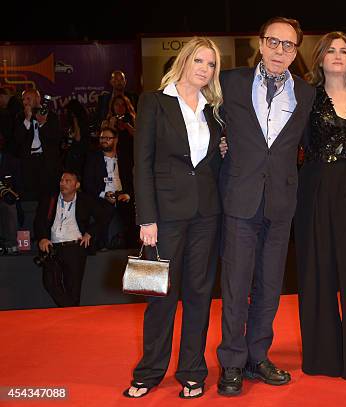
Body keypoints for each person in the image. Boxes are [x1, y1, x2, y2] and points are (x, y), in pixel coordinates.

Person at [215, 17, 315, 396]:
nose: (280, 51)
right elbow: (205, 125)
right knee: (236, 286)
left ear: (295, 52)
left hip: (281, 202)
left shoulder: (304, 94)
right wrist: (221, 147)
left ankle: (258, 357)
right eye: (274, 42)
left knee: (270, 286)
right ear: (260, 43)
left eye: (288, 45)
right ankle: (232, 363)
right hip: (239, 198)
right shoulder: (230, 82)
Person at [124, 37, 224, 399]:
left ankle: (193, 371)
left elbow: (210, 163)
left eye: (211, 64)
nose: (204, 69)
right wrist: (145, 219)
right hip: (163, 218)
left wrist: (222, 149)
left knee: (198, 295)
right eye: (198, 60)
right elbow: (142, 165)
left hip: (207, 215)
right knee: (159, 296)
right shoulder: (154, 101)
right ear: (184, 61)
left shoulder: (214, 109)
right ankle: (149, 372)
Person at [294, 31, 346, 381]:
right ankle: (323, 357)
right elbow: (284, 141)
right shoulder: (306, 98)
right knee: (319, 272)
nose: (338, 56)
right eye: (331, 50)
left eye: (344, 50)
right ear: (321, 57)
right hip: (314, 190)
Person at [33, 170, 97, 306]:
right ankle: (71, 311)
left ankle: (71, 319)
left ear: (77, 185)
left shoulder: (85, 200)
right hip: (52, 247)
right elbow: (39, 220)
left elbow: (106, 213)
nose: (63, 183)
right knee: (49, 282)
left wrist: (90, 233)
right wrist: (42, 238)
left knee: (73, 288)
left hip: (75, 247)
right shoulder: (50, 199)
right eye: (62, 180)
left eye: (68, 181)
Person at [83, 126, 136, 249]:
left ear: (116, 140)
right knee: (104, 209)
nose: (104, 141)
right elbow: (87, 183)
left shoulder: (125, 158)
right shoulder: (93, 158)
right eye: (102, 138)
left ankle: (131, 247)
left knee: (133, 211)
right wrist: (103, 194)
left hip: (122, 195)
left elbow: (132, 181)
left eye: (108, 138)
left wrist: (127, 194)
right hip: (101, 196)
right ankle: (103, 245)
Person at [14, 89, 62, 200]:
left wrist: (43, 123)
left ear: (38, 99)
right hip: (28, 162)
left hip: (46, 162)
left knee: (47, 196)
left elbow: (56, 138)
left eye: (28, 99)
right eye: (23, 99)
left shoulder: (51, 116)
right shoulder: (20, 117)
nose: (25, 102)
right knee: (30, 196)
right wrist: (27, 119)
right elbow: (17, 139)